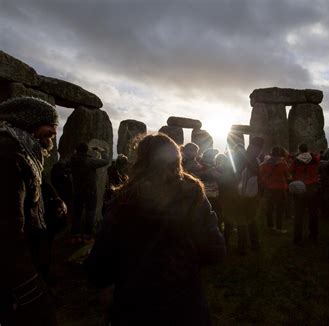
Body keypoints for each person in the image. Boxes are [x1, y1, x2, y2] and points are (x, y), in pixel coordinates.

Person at [86, 133, 226, 325]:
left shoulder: (121, 201)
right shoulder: (193, 195)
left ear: (139, 161)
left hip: (134, 307)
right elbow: (215, 251)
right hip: (185, 306)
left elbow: (98, 272)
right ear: (177, 159)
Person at [0, 97, 60, 325]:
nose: (54, 131)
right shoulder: (8, 156)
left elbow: (33, 188)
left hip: (28, 257)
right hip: (16, 271)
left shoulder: (26, 152)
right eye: (49, 124)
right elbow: (6, 227)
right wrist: (28, 284)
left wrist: (52, 200)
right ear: (28, 122)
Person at [70, 142, 109, 242]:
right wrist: (101, 150)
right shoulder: (89, 161)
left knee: (77, 213)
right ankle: (87, 235)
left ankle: (75, 235)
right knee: (90, 212)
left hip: (77, 190)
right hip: (90, 191)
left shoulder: (72, 160)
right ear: (86, 150)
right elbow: (105, 161)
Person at [290, 143, 321, 245]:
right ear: (307, 149)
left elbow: (292, 172)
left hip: (300, 188)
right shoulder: (314, 158)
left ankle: (297, 238)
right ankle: (314, 234)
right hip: (312, 187)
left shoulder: (296, 160)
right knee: (313, 213)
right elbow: (318, 166)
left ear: (299, 150)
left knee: (298, 214)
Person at [260, 146, 290, 233]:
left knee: (269, 208)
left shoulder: (265, 163)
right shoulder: (282, 163)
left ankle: (270, 226)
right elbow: (287, 174)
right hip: (280, 188)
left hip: (269, 188)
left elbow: (261, 173)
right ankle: (279, 227)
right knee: (279, 209)